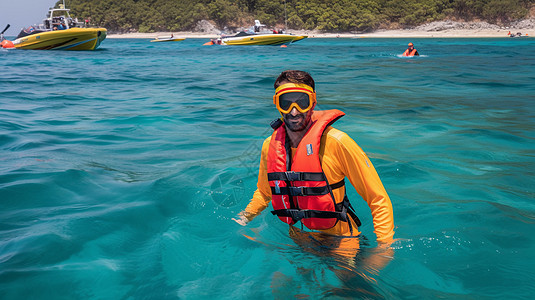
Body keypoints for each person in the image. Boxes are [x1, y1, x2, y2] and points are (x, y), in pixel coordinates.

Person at [233, 70, 395, 247]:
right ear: (276, 104)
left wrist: (384, 247)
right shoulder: (269, 145)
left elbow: (378, 199)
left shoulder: (337, 142)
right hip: (298, 238)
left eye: (302, 102)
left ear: (313, 103)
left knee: (349, 275)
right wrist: (244, 217)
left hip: (341, 242)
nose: (294, 112)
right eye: (285, 103)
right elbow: (265, 192)